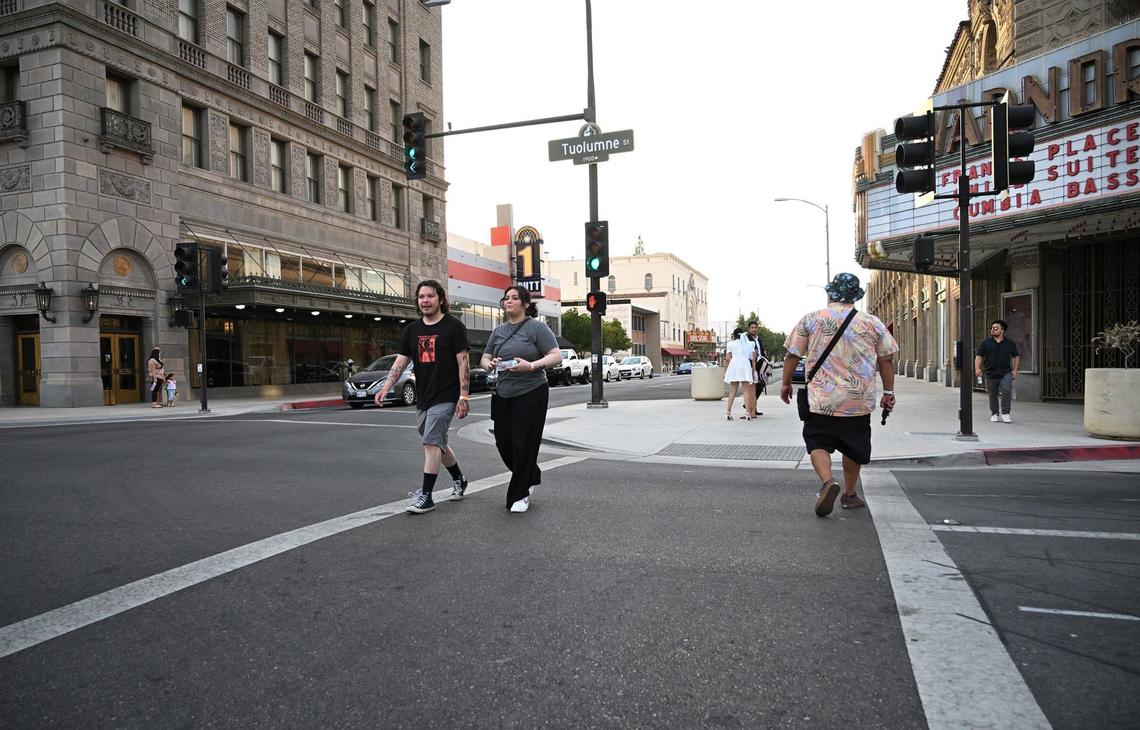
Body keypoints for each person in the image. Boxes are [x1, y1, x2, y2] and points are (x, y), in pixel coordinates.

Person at [780, 273, 898, 517]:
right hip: (857, 400)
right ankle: (850, 494)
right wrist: (889, 392)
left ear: (830, 293)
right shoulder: (872, 322)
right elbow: (886, 358)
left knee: (817, 442)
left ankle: (827, 482)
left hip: (821, 400)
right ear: (855, 296)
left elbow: (792, 354)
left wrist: (785, 383)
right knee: (853, 447)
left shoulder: (811, 320)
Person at [376, 280, 471, 514]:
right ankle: (459, 479)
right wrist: (386, 386)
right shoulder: (412, 330)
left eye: (430, 296)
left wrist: (464, 396)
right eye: (421, 297)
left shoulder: (453, 327)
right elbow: (401, 362)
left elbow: (463, 362)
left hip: (446, 394)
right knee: (437, 442)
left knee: (430, 442)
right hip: (424, 395)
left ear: (440, 299)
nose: (425, 301)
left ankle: (426, 496)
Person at [480, 286, 562, 513]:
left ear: (525, 304)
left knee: (523, 443)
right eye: (506, 298)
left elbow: (556, 355)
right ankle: (531, 474)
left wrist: (531, 366)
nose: (509, 301)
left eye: (515, 298)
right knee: (503, 443)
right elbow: (485, 358)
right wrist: (490, 365)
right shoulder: (498, 331)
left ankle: (520, 494)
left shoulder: (537, 327)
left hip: (532, 391)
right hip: (503, 393)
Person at [975, 319, 1020, 423]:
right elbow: (979, 356)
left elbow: (1016, 357)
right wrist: (977, 368)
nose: (993, 330)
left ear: (1002, 330)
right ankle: (994, 413)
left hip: (1006, 372)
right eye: (992, 328)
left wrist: (1015, 370)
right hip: (990, 372)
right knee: (992, 393)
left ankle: (1006, 413)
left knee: (1007, 390)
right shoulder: (985, 343)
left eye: (996, 328)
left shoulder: (1010, 343)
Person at [722, 328, 756, 421]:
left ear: (734, 335)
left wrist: (726, 371)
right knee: (746, 390)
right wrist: (753, 369)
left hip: (734, 365)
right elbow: (753, 358)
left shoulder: (731, 344)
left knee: (733, 390)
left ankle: (728, 412)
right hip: (745, 364)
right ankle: (747, 413)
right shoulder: (750, 344)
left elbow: (728, 358)